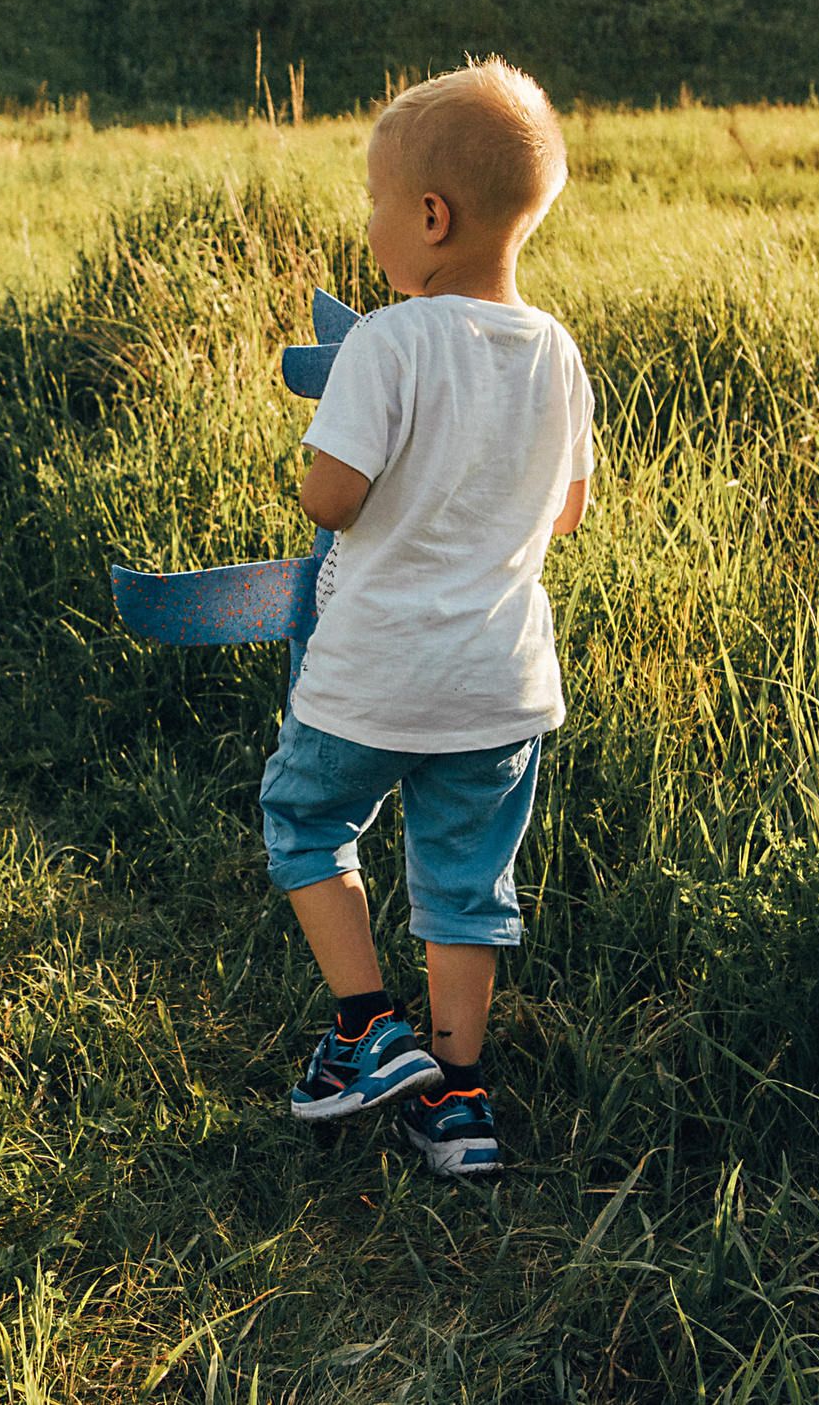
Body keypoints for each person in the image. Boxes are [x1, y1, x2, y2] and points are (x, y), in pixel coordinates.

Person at [262, 58, 594, 1176]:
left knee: (304, 822)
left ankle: (364, 1027)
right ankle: (458, 1104)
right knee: (463, 887)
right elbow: (565, 512)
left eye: (375, 207)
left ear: (430, 215)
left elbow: (332, 496)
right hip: (498, 685)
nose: (368, 229)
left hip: (372, 673)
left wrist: (321, 463)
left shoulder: (387, 342)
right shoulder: (555, 349)